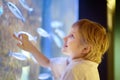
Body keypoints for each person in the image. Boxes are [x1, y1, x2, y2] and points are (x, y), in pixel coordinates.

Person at [13, 19, 109, 80]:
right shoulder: (77, 63)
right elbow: (48, 62)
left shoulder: (76, 70)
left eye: (72, 36)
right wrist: (31, 48)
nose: (64, 38)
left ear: (85, 49)